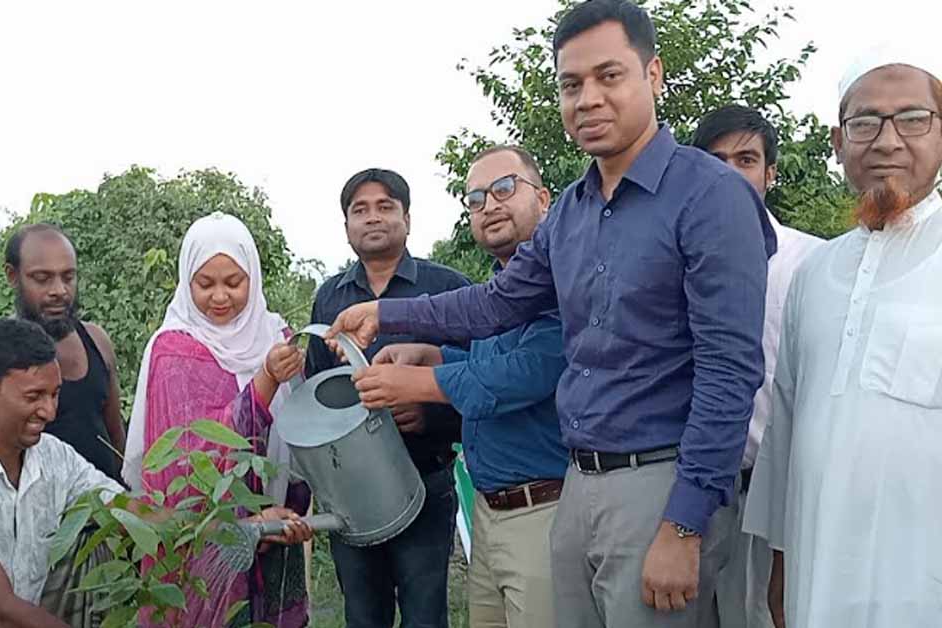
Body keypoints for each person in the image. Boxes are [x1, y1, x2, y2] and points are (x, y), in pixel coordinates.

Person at [328, 1, 775, 625]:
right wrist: (388, 313)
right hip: (578, 483)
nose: (587, 98)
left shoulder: (709, 195)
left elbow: (730, 371)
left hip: (659, 481)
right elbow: (496, 304)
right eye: (571, 84)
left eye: (608, 76)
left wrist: (684, 523)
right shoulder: (572, 210)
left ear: (654, 75)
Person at [0, 317, 310, 628]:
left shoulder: (54, 458)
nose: (49, 411)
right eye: (33, 397)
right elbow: (1, 611)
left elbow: (136, 514)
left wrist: (246, 526)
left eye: (54, 394)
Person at [743, 45, 942, 628]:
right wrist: (781, 566)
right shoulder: (816, 273)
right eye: (865, 122)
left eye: (912, 118)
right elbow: (783, 434)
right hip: (817, 578)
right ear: (838, 143)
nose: (886, 141)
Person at [350, 146, 568, 628]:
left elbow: (529, 371)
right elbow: (490, 358)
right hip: (490, 513)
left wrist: (421, 381)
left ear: (545, 199)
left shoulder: (561, 280)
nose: (489, 205)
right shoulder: (498, 289)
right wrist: (434, 355)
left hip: (544, 509)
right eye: (475, 198)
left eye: (504, 188)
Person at [121, 212, 311, 627]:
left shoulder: (275, 335)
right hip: (203, 545)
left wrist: (288, 512)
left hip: (277, 530)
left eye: (234, 282)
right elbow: (186, 461)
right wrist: (266, 378)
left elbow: (300, 436)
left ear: (254, 279)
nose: (220, 296)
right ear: (186, 283)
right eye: (205, 284)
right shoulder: (174, 350)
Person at [306, 167, 470, 628]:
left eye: (385, 207)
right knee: (363, 615)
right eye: (360, 210)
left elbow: (479, 382)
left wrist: (427, 416)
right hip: (352, 494)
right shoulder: (329, 298)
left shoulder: (448, 289)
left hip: (426, 482)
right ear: (346, 227)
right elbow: (316, 393)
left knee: (424, 615)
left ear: (408, 219)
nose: (372, 218)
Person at [690, 106, 823, 628]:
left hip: (785, 493)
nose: (729, 172)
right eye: (716, 160)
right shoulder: (678, 263)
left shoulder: (812, 264)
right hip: (700, 489)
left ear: (770, 172)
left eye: (746, 159)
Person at [0, 224, 126, 483]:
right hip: (37, 519)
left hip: (106, 510)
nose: (59, 290)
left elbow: (115, 435)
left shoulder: (97, 342)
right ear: (13, 276)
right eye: (42, 278)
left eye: (68, 277)